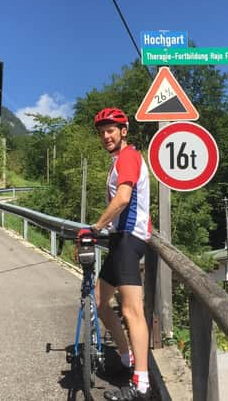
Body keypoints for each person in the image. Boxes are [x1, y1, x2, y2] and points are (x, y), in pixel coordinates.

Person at [90, 107, 151, 400]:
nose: (106, 135)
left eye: (111, 130)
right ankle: (126, 360)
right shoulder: (118, 161)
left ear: (124, 131)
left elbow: (124, 198)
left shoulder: (128, 156)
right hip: (118, 239)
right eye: (102, 131)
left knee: (131, 310)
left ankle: (141, 383)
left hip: (129, 239)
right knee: (101, 301)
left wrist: (95, 227)